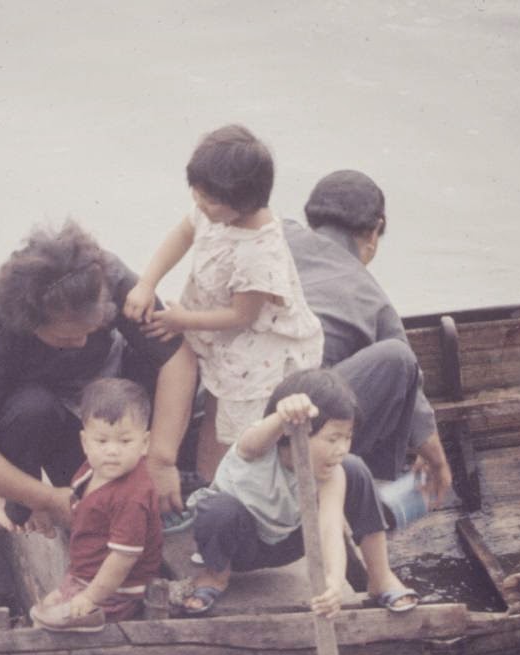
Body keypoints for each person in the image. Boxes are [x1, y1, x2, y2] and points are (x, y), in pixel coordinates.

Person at [0, 221, 195, 534]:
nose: (82, 343)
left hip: (89, 389)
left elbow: (177, 358)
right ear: (33, 324)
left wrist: (162, 460)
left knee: (156, 364)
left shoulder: (103, 276)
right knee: (31, 408)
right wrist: (46, 498)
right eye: (67, 337)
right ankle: (5, 492)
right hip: (18, 411)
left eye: (90, 330)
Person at [124, 124, 323, 481]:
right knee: (214, 419)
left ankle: (233, 490)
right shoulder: (213, 208)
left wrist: (181, 320)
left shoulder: (260, 250)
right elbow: (183, 233)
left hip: (256, 354)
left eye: (209, 199)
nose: (199, 204)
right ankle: (208, 488)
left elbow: (242, 315)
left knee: (236, 433)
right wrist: (146, 282)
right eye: (196, 194)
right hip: (224, 343)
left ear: (244, 202)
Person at [183, 368, 419, 616]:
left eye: (346, 437)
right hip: (241, 546)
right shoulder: (258, 446)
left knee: (354, 468)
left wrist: (334, 582)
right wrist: (282, 416)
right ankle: (215, 576)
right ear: (293, 430)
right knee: (218, 510)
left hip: (291, 543)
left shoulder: (331, 473)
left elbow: (329, 529)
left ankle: (380, 577)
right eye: (332, 439)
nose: (341, 448)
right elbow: (257, 439)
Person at [286, 170, 452, 506]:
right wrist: (437, 461)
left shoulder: (280, 234)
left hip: (241, 406)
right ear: (374, 232)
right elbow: (412, 389)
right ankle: (365, 484)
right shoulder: (372, 297)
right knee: (397, 359)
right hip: (298, 426)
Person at [28, 378, 163, 631]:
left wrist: (90, 598)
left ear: (145, 443)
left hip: (117, 590)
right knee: (42, 610)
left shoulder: (131, 496)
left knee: (49, 630)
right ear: (85, 442)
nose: (112, 451)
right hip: (84, 572)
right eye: (102, 441)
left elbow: (122, 558)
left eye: (125, 441)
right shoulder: (91, 470)